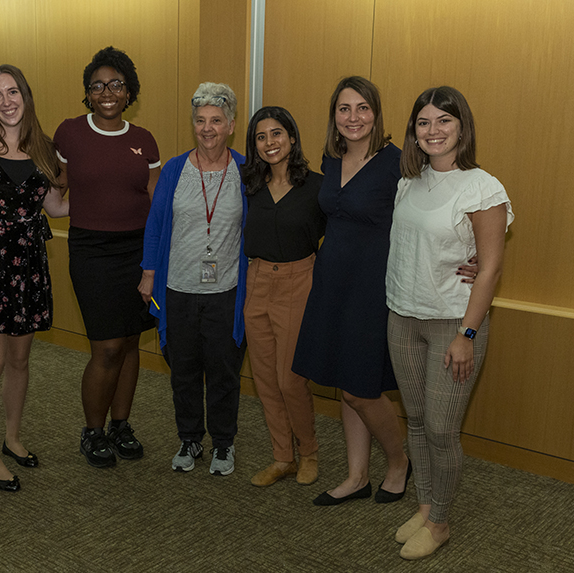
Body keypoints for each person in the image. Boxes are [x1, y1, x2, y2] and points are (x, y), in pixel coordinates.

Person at [387, 86, 513, 560]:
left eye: (444, 120)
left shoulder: (482, 186)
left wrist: (467, 334)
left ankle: (440, 522)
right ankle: (424, 506)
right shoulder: (409, 182)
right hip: (402, 316)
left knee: (442, 428)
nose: (433, 130)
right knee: (416, 421)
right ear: (414, 133)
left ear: (462, 128)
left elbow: (492, 266)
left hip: (452, 324)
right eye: (424, 122)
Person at [292, 76, 412, 505]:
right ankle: (357, 476)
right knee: (346, 382)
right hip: (331, 283)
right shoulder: (332, 157)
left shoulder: (399, 162)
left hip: (372, 288)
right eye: (344, 109)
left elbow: (431, 214)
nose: (353, 117)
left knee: (361, 387)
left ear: (376, 113)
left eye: (362, 108)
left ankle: (398, 462)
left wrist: (467, 256)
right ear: (334, 116)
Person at [0, 65, 68, 492]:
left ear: (26, 95)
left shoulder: (45, 148)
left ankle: (13, 438)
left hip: (28, 265)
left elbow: (56, 208)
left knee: (20, 360)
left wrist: (113, 196)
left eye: (13, 91)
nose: (7, 101)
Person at [53, 47, 161, 468]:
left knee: (132, 340)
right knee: (108, 346)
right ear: (88, 94)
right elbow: (56, 183)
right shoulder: (70, 133)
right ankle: (92, 431)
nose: (107, 92)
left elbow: (156, 201)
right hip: (91, 251)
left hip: (137, 251)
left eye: (116, 84)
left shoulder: (144, 139)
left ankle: (121, 424)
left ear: (129, 90)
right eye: (97, 86)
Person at [139, 82, 247, 476]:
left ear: (231, 125)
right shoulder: (174, 170)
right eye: (200, 120)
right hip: (177, 288)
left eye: (216, 120)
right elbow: (155, 225)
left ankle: (223, 444)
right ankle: (189, 438)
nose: (207, 128)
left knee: (223, 370)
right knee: (182, 369)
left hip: (226, 290)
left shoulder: (245, 171)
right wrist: (148, 274)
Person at [240, 106, 324, 487]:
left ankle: (308, 452)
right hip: (257, 280)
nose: (269, 142)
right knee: (265, 380)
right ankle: (282, 457)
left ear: (292, 137)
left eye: (277, 133)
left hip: (298, 281)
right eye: (261, 137)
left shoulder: (318, 187)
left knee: (290, 380)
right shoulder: (249, 186)